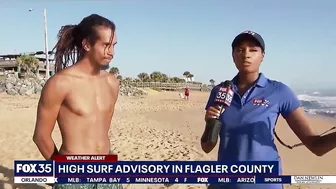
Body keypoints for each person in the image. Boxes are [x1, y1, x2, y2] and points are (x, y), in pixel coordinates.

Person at [202, 30, 336, 189]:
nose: (246, 54)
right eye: (240, 49)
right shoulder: (219, 91)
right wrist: (210, 122)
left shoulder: (279, 92)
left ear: (262, 56)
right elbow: (207, 146)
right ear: (233, 56)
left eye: (253, 49)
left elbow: (316, 145)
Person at [32, 14, 122, 189]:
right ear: (87, 44)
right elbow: (41, 136)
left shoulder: (112, 82)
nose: (111, 52)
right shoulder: (60, 83)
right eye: (105, 45)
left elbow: (102, 129)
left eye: (113, 45)